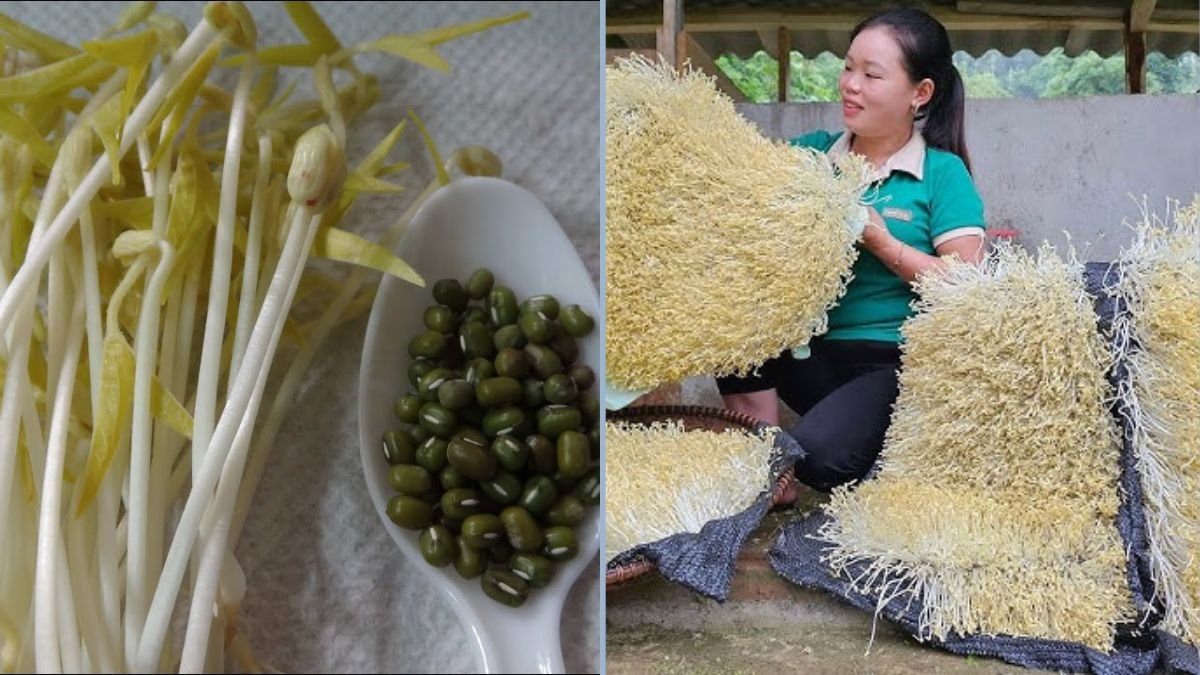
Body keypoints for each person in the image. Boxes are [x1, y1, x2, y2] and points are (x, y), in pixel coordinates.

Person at [718, 7, 986, 497]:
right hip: (815, 353)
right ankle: (771, 468)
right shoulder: (813, 156)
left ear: (919, 93)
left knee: (819, 459)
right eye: (847, 67)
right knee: (726, 328)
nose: (850, 85)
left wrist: (883, 242)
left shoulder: (943, 174)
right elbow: (740, 193)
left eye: (871, 74)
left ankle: (893, 451)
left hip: (894, 363)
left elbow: (964, 287)